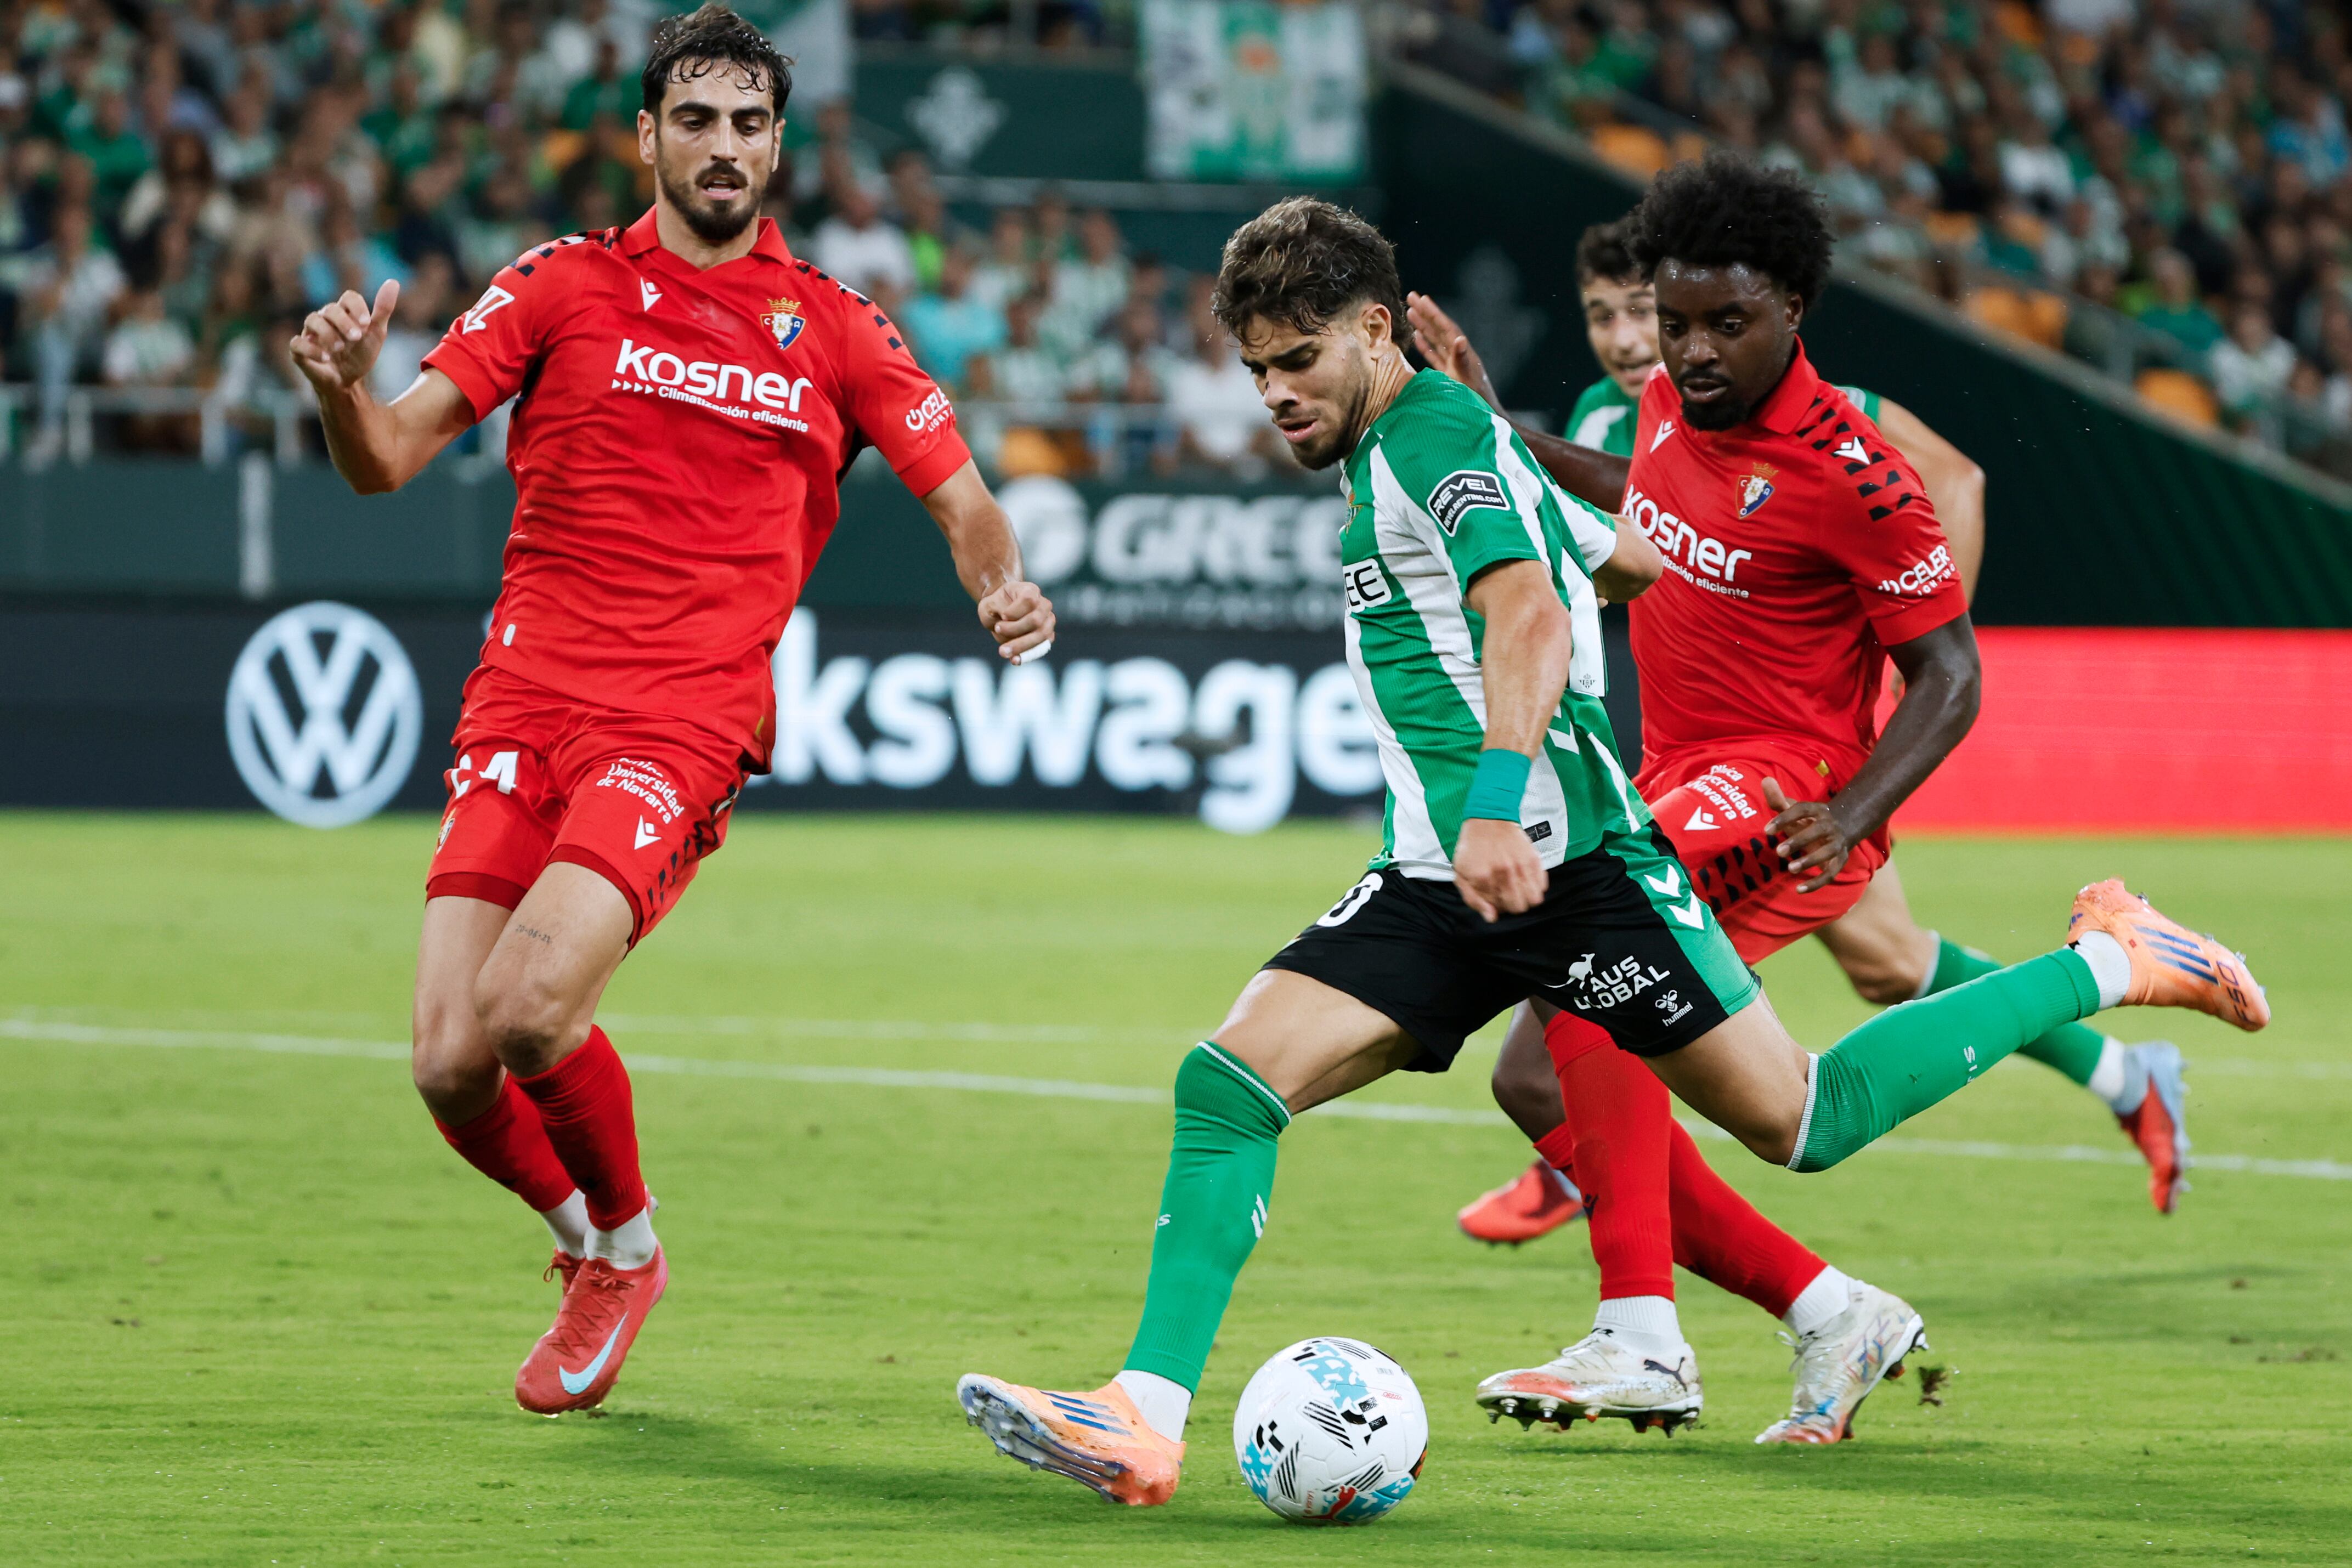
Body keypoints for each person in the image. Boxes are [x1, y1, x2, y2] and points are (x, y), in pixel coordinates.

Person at [953, 191, 2265, 1507]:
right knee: (1229, 1081)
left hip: (1569, 868)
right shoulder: (1422, 441)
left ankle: (2106, 962)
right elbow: (1630, 555)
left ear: (1369, 328)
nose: (1274, 393)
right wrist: (1532, 508)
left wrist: (1497, 788)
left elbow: (1527, 611)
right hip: (1440, 882)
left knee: (1801, 1117)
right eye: (1254, 370)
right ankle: (1144, 1413)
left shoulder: (1428, 441)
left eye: (1297, 361)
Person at [286, 4, 1053, 1417]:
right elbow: (385, 457)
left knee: (528, 1011)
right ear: (645, 136)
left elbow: (963, 498)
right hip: (524, 694)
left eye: (747, 124)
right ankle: (581, 1240)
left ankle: (626, 1249)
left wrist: (1002, 588)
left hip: (680, 719)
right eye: (692, 120)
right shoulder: (558, 285)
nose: (721, 147)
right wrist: (342, 390)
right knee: (451, 1063)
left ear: (777, 145)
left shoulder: (831, 323)